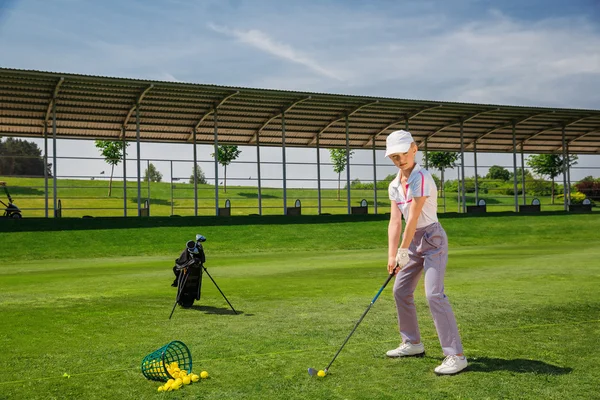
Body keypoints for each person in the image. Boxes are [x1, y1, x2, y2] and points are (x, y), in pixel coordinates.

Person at [384, 130, 467, 375]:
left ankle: (456, 355)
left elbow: (414, 218)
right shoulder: (394, 185)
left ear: (414, 149)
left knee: (434, 295)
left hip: (432, 238)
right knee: (400, 290)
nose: (400, 160)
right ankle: (412, 343)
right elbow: (395, 222)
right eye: (395, 157)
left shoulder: (422, 177)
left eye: (403, 154)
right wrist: (392, 255)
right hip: (412, 241)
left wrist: (402, 250)